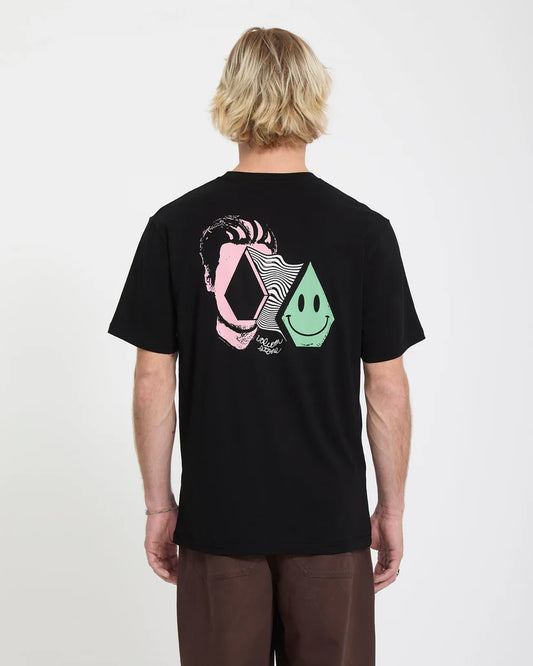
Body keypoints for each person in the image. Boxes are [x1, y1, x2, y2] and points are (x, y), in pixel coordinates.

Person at [108, 26, 425, 666]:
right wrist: (390, 509)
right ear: (313, 97)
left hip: (219, 522)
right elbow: (385, 387)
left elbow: (152, 381)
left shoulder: (174, 226)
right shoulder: (364, 232)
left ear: (230, 98)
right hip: (329, 524)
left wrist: (159, 505)